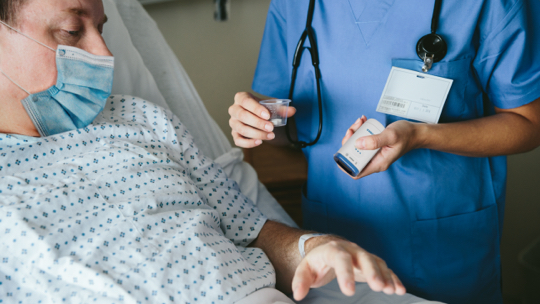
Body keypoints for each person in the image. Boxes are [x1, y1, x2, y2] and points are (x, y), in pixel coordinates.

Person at [0, 0, 439, 303]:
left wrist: (314, 247)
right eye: (72, 31)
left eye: (102, 28)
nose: (104, 53)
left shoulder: (141, 120)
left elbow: (255, 232)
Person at [227, 0, 540, 303]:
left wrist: (420, 135)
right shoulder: (292, 4)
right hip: (333, 239)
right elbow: (293, 127)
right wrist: (258, 122)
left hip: (441, 247)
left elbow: (528, 123)